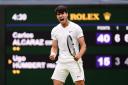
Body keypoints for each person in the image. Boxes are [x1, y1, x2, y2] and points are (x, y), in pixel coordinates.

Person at [49, 5, 86, 85]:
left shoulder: (76, 28)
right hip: (61, 62)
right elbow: (54, 47)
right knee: (56, 83)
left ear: (67, 14)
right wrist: (53, 54)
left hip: (74, 61)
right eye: (58, 14)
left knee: (80, 83)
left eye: (62, 13)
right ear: (57, 16)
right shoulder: (55, 30)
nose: (61, 16)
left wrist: (79, 55)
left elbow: (83, 45)